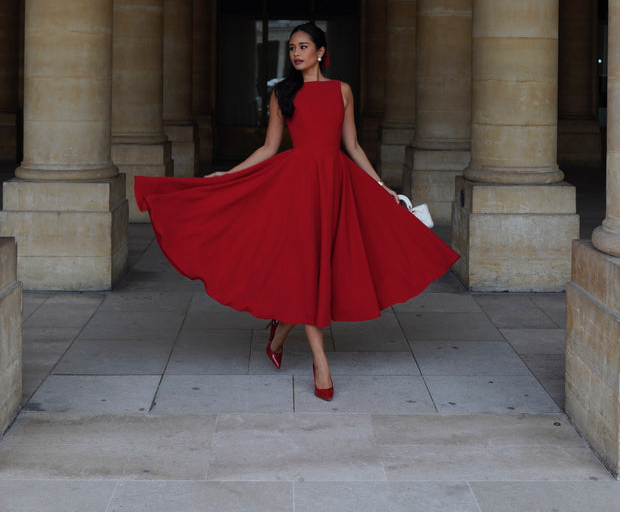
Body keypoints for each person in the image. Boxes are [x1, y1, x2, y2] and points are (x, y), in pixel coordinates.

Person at [135, 22, 459, 402]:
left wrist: (381, 186)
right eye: (291, 47)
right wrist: (230, 172)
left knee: (325, 271)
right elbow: (269, 149)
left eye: (303, 46)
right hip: (296, 189)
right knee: (309, 268)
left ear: (321, 52)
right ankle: (320, 363)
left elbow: (352, 145)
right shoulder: (282, 94)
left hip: (336, 186)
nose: (296, 53)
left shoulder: (341, 91)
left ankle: (280, 333)